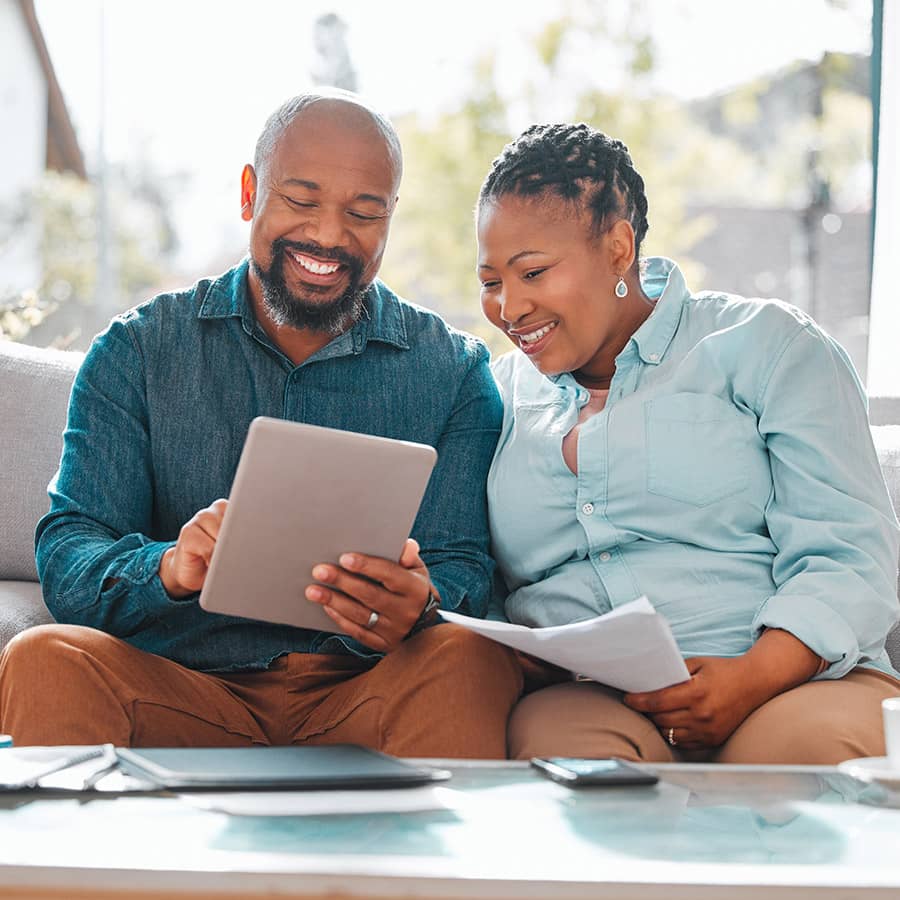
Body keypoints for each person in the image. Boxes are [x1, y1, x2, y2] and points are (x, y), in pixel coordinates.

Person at [0, 91, 522, 754]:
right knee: (47, 658)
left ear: (390, 219)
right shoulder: (138, 350)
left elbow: (466, 567)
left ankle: (405, 863)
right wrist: (168, 568)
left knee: (469, 658)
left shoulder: (451, 372)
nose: (330, 236)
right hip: (180, 684)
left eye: (363, 213)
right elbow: (71, 553)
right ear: (250, 193)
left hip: (365, 689)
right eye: (301, 201)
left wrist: (421, 599)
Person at [475, 122, 900, 765]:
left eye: (532, 272)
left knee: (786, 773)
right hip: (592, 697)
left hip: (796, 682)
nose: (510, 307)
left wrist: (750, 678)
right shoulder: (493, 396)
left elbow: (849, 553)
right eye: (490, 282)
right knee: (573, 783)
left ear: (618, 248)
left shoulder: (768, 346)